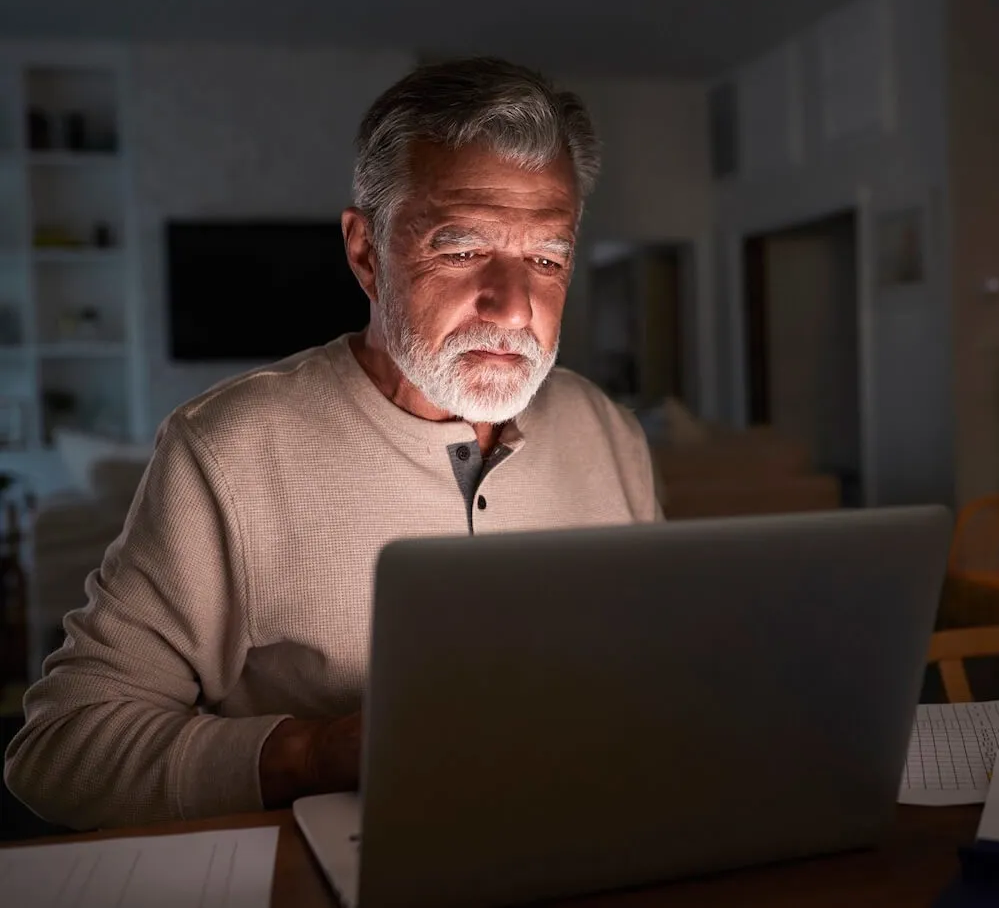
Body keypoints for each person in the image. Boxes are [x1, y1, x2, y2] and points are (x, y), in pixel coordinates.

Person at [4, 58, 660, 830]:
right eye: (461, 249)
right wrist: (314, 753)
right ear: (365, 251)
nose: (515, 307)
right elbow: (61, 747)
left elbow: (656, 673)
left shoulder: (608, 432)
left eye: (547, 258)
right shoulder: (228, 449)